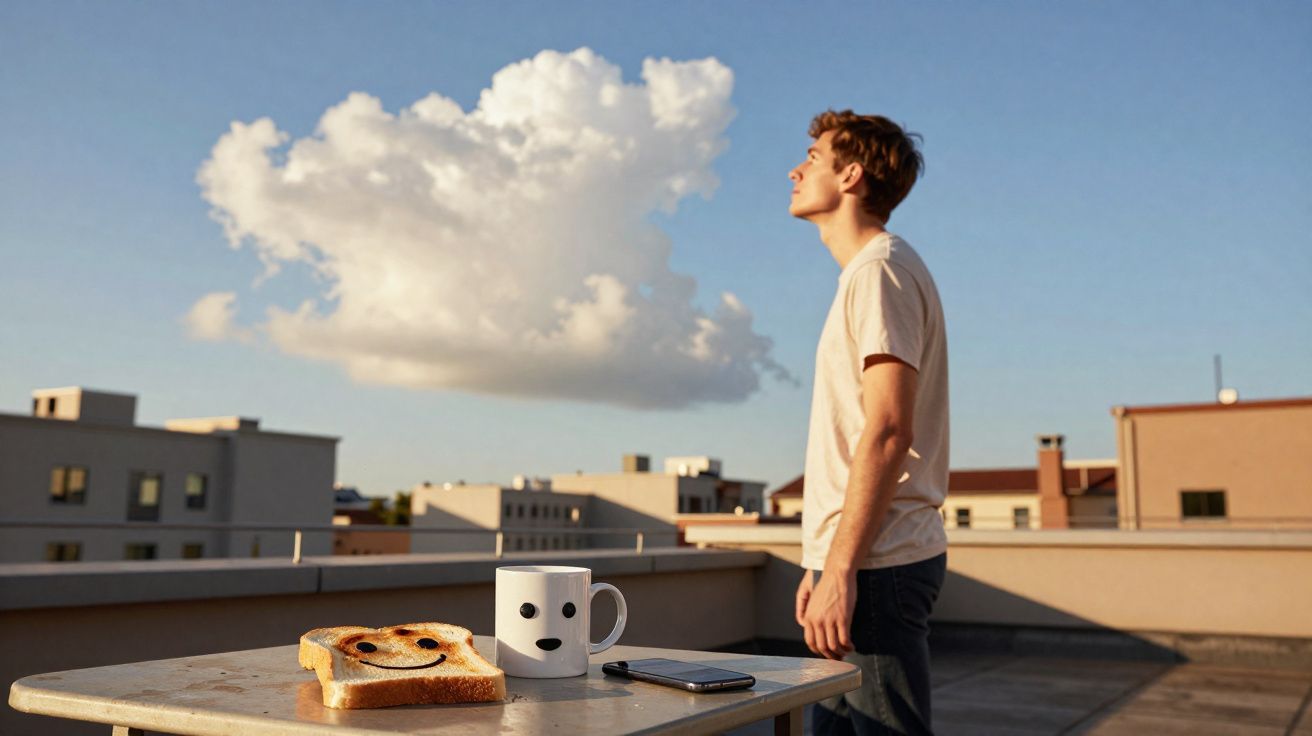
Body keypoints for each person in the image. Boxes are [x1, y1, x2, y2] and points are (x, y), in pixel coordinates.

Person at [790, 110, 950, 736]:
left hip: (878, 567)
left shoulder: (881, 271)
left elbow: (887, 430)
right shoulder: (866, 273)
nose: (795, 170)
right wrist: (820, 560)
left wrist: (841, 569)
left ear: (851, 175)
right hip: (859, 562)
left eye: (813, 157)